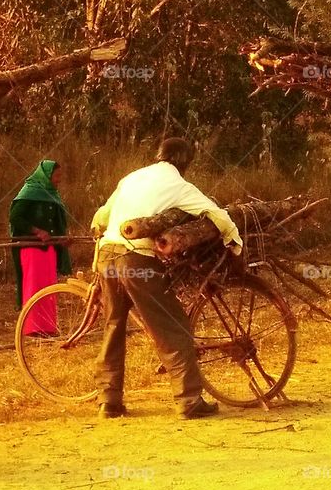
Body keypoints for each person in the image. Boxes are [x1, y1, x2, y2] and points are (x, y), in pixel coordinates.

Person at [90, 137, 242, 419]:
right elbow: (217, 215)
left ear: (159, 155)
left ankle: (108, 401)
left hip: (106, 255)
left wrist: (98, 227)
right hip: (136, 259)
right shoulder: (180, 186)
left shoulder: (132, 177)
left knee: (113, 324)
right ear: (185, 162)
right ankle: (189, 400)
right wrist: (235, 242)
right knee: (172, 325)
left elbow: (102, 216)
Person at [8, 160, 72, 337]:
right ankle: (32, 328)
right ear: (46, 175)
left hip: (48, 251)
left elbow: (56, 224)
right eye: (56, 176)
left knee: (49, 287)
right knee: (34, 287)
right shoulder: (29, 192)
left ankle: (48, 327)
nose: (58, 180)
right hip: (32, 249)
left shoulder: (52, 194)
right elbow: (15, 217)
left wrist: (61, 239)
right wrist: (36, 231)